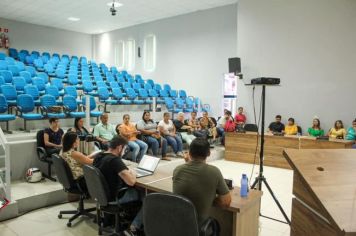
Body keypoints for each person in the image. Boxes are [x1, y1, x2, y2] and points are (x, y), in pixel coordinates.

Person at [172, 138, 231, 225]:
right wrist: (210, 198)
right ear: (209, 153)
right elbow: (226, 202)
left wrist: (187, 161)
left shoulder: (177, 170)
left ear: (189, 152)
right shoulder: (214, 172)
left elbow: (191, 178)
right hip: (197, 227)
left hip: (177, 224)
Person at [93, 135, 142, 234]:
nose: (125, 151)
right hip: (114, 197)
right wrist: (133, 173)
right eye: (125, 148)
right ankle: (134, 227)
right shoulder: (115, 160)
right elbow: (131, 182)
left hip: (101, 195)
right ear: (120, 147)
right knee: (147, 197)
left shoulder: (99, 156)